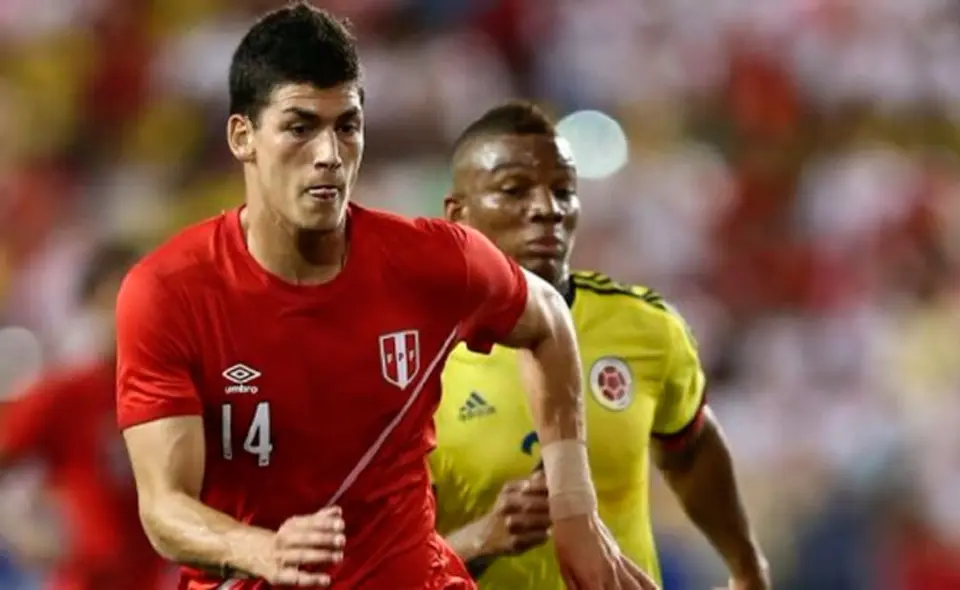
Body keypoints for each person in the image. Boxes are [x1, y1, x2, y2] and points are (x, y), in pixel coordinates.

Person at [115, 3, 655, 590]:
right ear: (242, 137)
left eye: (346, 126)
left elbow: (549, 319)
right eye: (300, 127)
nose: (329, 154)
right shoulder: (169, 292)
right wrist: (261, 549)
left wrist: (574, 509)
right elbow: (164, 507)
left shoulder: (433, 262)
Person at [429, 101, 771, 590]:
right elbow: (375, 564)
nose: (547, 208)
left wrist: (745, 566)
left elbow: (690, 449)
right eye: (514, 190)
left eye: (563, 191)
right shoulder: (415, 357)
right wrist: (477, 541)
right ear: (458, 214)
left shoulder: (646, 328)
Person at [0, 241, 172, 589]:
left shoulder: (175, 391)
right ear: (92, 305)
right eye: (118, 296)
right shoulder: (66, 394)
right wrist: (21, 529)